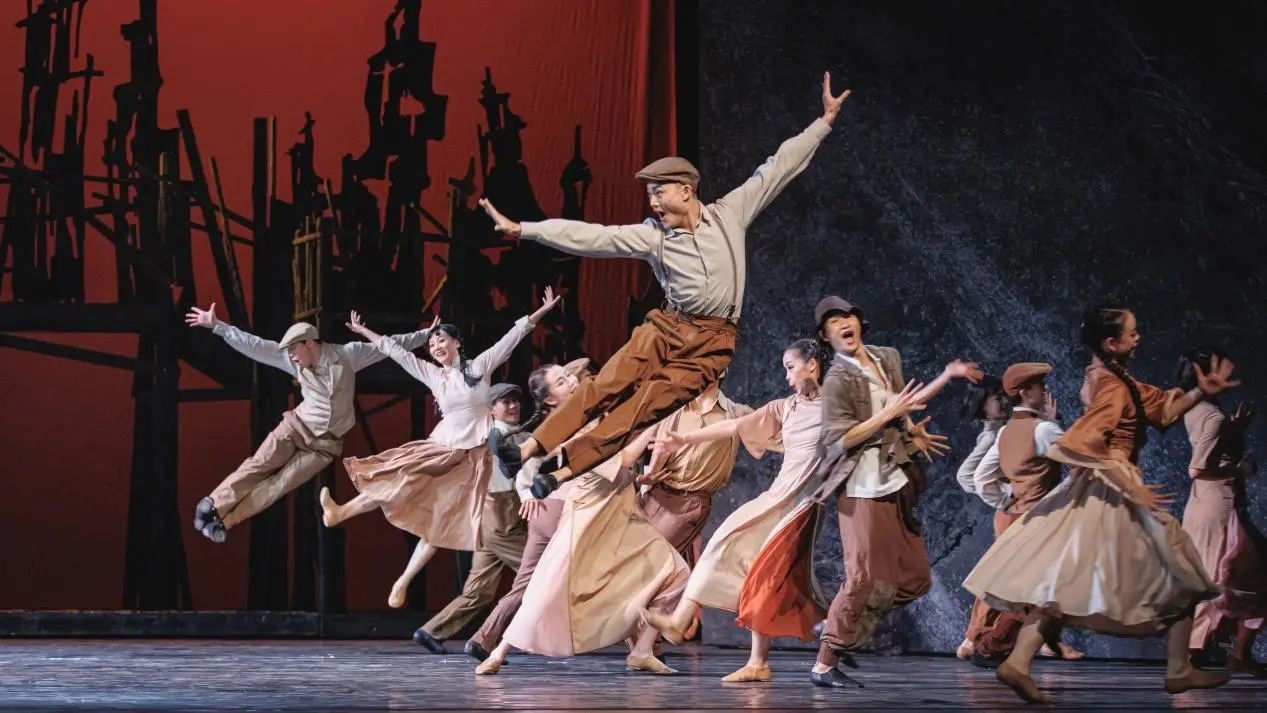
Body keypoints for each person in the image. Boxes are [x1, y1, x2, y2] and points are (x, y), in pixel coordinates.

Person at [477, 72, 852, 484]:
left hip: (713, 344)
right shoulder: (653, 237)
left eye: (659, 192)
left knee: (644, 407)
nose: (653, 202)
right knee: (607, 384)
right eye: (650, 195)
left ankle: (563, 471)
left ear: (686, 190)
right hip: (669, 326)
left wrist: (824, 122)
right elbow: (593, 237)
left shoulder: (729, 214)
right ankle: (527, 448)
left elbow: (777, 169)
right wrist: (524, 230)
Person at [964, 305, 1237, 703]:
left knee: (1063, 580)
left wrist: (1199, 391)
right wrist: (1128, 484)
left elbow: (1162, 407)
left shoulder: (1116, 378)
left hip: (1104, 485)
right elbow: (1078, 443)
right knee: (1176, 567)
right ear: (1111, 343)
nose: (1138, 337)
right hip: (1112, 487)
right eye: (1132, 333)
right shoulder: (1109, 385)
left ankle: (1018, 662)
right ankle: (1178, 667)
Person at [318, 289, 559, 607]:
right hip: (443, 448)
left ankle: (402, 582)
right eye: (432, 344)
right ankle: (342, 512)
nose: (435, 347)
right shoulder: (434, 375)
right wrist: (364, 331)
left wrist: (540, 313)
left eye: (441, 340)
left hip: (473, 458)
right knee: (399, 479)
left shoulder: (479, 368)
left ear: (457, 342)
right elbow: (396, 353)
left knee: (441, 522)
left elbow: (511, 339)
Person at [810, 295, 981, 688]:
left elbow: (905, 404)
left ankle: (845, 629)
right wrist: (886, 416)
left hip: (895, 479)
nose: (844, 324)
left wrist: (942, 381)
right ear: (825, 335)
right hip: (860, 486)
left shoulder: (886, 357)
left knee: (915, 578)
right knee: (862, 578)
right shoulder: (837, 380)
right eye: (834, 322)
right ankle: (825, 661)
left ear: (859, 321)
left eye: (848, 316)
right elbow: (838, 439)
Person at [642, 339, 831, 681]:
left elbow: (865, 426)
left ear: (812, 365)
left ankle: (822, 646)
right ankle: (691, 626)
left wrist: (895, 417)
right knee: (726, 546)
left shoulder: (835, 405)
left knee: (767, 574)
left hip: (800, 507)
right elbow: (734, 426)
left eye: (790, 368)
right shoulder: (785, 407)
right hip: (776, 499)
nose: (786, 376)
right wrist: (685, 439)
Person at [185, 302, 429, 542]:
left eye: (294, 349)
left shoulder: (347, 356)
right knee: (259, 464)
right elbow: (256, 346)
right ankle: (213, 503)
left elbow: (388, 346)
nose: (291, 356)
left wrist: (427, 335)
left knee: (278, 486)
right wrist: (218, 326)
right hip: (295, 428)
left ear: (310, 343)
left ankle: (224, 522)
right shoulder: (292, 361)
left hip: (323, 446)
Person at [966, 363, 1082, 664]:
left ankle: (995, 644)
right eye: (1039, 386)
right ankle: (989, 644)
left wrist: (1007, 498)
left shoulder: (1007, 431)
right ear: (1025, 392)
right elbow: (1079, 463)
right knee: (1030, 589)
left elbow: (981, 477)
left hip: (1019, 518)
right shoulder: (1042, 429)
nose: (1044, 391)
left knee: (1025, 586)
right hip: (1039, 520)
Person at [410, 383, 529, 653]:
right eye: (506, 402)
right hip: (500, 518)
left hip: (494, 518)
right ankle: (486, 639)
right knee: (542, 573)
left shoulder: (517, 433)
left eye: (515, 401)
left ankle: (431, 631)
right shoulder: (492, 434)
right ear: (491, 409)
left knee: (479, 591)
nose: (513, 406)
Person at [1177, 346, 1266, 677]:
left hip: (1209, 503)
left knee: (1243, 576)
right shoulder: (1212, 416)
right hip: (1217, 506)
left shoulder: (1197, 408)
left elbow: (1212, 446)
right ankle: (1192, 654)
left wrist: (1234, 430)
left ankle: (1236, 652)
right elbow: (1197, 468)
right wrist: (1240, 469)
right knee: (1218, 579)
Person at [953, 374, 1009, 659]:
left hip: (1014, 510)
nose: (1003, 401)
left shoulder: (1003, 429)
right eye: (996, 397)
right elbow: (965, 476)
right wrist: (1005, 494)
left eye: (1003, 395)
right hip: (1010, 512)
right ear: (982, 405)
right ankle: (973, 637)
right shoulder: (991, 435)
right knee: (1000, 577)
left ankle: (975, 637)